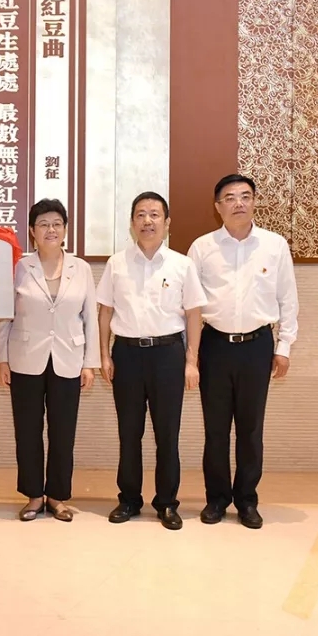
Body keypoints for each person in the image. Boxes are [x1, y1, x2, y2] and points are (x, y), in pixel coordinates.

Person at [188, 174, 299, 529]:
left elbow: (288, 299)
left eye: (245, 196)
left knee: (251, 429)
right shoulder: (202, 248)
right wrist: (191, 354)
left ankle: (247, 500)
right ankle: (217, 499)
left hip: (257, 346)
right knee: (216, 430)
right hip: (215, 346)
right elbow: (189, 305)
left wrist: (284, 346)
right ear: (217, 206)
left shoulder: (274, 245)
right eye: (230, 197)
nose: (238, 202)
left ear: (254, 202)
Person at [97, 192, 206, 531]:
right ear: (132, 223)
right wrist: (104, 354)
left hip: (168, 355)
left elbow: (194, 315)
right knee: (129, 433)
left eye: (155, 214)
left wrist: (191, 361)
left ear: (167, 223)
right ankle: (129, 499)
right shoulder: (117, 264)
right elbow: (105, 313)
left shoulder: (181, 265)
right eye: (141, 215)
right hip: (127, 354)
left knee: (167, 435)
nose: (148, 221)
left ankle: (167, 503)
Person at [0, 198, 99, 522]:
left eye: (56, 224)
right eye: (43, 224)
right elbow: (5, 315)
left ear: (65, 229)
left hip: (69, 358)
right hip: (24, 357)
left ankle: (57, 496)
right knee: (27, 431)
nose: (50, 229)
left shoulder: (81, 268)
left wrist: (90, 363)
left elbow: (90, 318)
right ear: (32, 231)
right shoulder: (19, 267)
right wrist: (1, 359)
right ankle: (33, 496)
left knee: (63, 432)